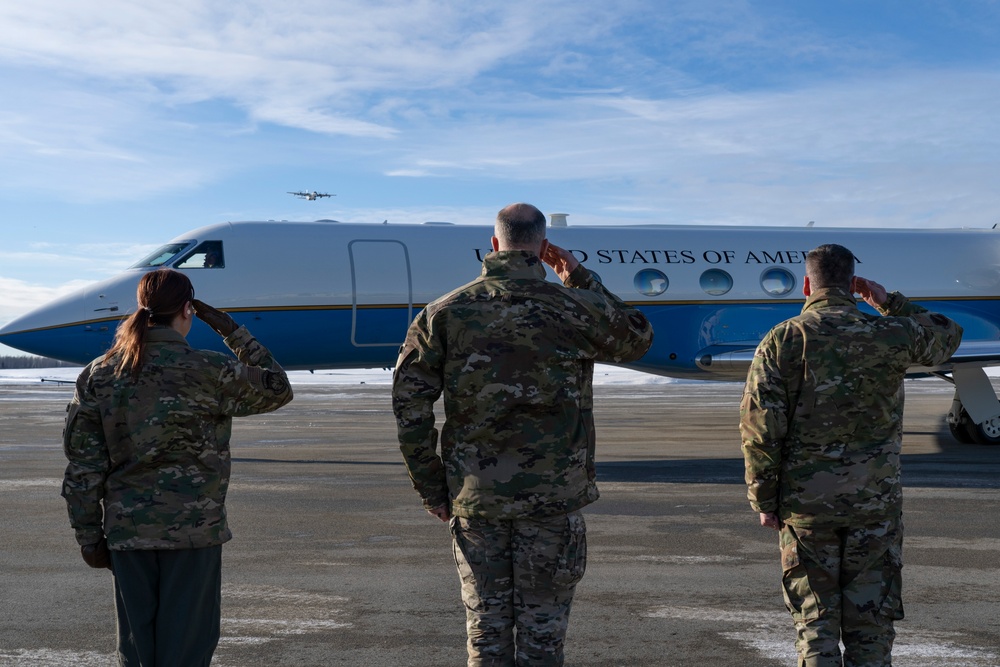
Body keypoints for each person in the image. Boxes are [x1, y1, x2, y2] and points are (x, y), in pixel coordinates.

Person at [392, 202, 654, 666]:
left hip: (476, 501)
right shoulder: (575, 306)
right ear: (543, 247)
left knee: (486, 635)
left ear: (494, 245)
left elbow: (409, 405)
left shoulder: (443, 313)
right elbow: (637, 337)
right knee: (543, 638)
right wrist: (580, 277)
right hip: (553, 501)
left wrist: (432, 488)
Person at [740, 244, 963, 667]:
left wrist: (764, 500)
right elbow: (948, 334)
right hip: (873, 505)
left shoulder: (785, 338)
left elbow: (760, 430)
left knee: (815, 624)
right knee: (871, 627)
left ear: (807, 284)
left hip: (806, 507)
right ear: (852, 284)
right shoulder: (891, 332)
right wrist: (890, 302)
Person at [61, 268, 293, 666]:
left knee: (137, 653)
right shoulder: (211, 369)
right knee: (186, 651)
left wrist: (88, 537)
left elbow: (83, 467)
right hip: (193, 535)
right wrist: (232, 331)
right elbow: (278, 388)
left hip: (128, 534)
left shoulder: (101, 372)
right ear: (189, 309)